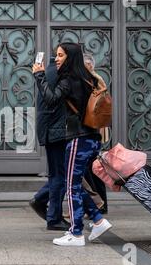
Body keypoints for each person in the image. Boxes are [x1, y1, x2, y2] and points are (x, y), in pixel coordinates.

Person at [33, 42, 112, 246]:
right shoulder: (87, 79)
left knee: (71, 186)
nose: (56, 59)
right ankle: (98, 220)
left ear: (70, 57)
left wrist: (39, 75)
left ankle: (76, 234)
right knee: (74, 184)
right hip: (91, 137)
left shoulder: (69, 80)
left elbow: (51, 99)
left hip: (78, 138)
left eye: (60, 55)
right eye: (56, 55)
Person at [29, 55, 70, 230]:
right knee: (60, 175)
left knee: (58, 174)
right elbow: (52, 99)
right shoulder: (59, 73)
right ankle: (52, 216)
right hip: (57, 130)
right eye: (60, 54)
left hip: (51, 129)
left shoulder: (51, 71)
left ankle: (43, 202)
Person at [83, 53, 108, 214]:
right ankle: (98, 203)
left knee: (91, 168)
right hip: (93, 129)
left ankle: (99, 204)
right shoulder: (94, 80)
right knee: (91, 168)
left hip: (92, 130)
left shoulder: (95, 81)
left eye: (85, 65)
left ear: (91, 66)